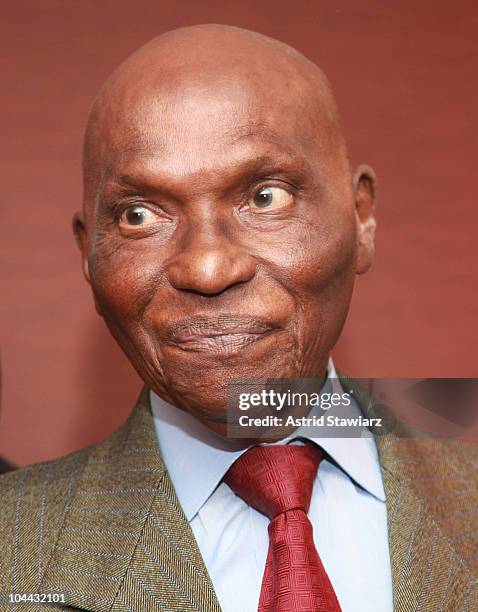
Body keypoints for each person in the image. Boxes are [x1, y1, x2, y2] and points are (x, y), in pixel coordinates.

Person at [0, 25, 476, 612]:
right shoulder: (13, 551)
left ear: (362, 220)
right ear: (86, 256)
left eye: (266, 197)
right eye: (138, 215)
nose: (206, 266)